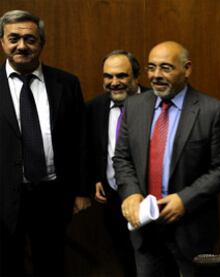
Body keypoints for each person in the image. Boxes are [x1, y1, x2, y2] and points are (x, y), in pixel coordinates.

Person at [113, 41, 220, 277]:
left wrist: (185, 200)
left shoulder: (211, 110)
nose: (156, 75)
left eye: (166, 68)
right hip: (145, 229)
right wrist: (130, 192)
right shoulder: (134, 105)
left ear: (187, 69)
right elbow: (122, 157)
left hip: (191, 228)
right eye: (151, 67)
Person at [0, 10, 90, 276]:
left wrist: (82, 190)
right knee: (7, 266)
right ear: (2, 41)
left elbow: (81, 140)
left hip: (53, 195)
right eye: (13, 38)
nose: (22, 45)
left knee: (51, 264)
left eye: (30, 38)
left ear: (42, 43)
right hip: (4, 196)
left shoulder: (67, 83)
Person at [86, 49, 149, 277]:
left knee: (154, 260)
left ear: (136, 76)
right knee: (125, 257)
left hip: (151, 200)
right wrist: (95, 178)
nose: (114, 82)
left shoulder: (156, 102)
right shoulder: (94, 107)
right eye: (108, 76)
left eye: (121, 76)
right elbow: (91, 147)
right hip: (113, 199)